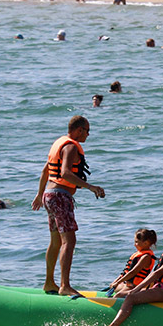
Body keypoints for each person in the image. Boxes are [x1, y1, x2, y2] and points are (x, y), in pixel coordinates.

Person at [31, 116, 105, 297]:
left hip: (50, 195)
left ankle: (49, 282)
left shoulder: (59, 143)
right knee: (69, 241)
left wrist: (40, 195)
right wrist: (91, 187)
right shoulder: (71, 146)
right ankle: (64, 285)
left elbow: (45, 170)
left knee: (56, 241)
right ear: (79, 130)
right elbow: (64, 172)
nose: (88, 135)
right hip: (60, 196)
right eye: (88, 131)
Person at [102, 224, 163, 326]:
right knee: (126, 294)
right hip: (159, 288)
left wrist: (136, 289)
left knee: (131, 297)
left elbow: (158, 272)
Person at [108, 228, 157, 296]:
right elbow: (126, 272)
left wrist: (118, 282)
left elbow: (133, 272)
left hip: (135, 287)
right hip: (128, 285)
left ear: (146, 243)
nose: (135, 244)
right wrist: (116, 281)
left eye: (137, 242)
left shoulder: (146, 257)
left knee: (118, 295)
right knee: (113, 286)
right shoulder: (138, 254)